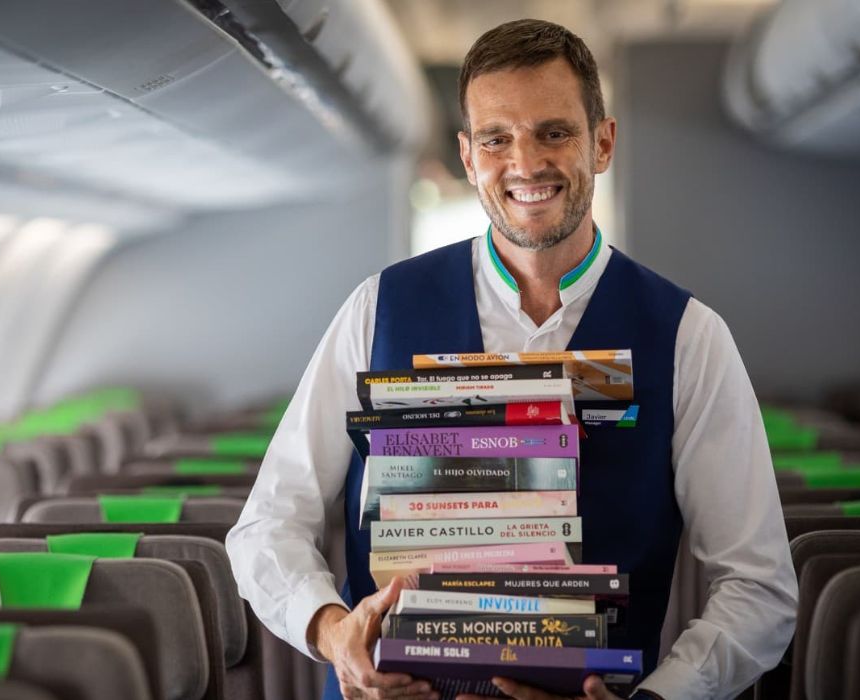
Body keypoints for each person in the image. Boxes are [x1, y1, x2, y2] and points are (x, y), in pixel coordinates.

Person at [226, 18, 797, 700]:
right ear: (469, 158)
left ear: (603, 142)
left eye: (554, 132)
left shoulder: (687, 336)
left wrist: (657, 697)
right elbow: (268, 526)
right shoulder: (378, 307)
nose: (525, 164)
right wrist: (331, 631)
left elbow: (759, 587)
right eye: (497, 139)